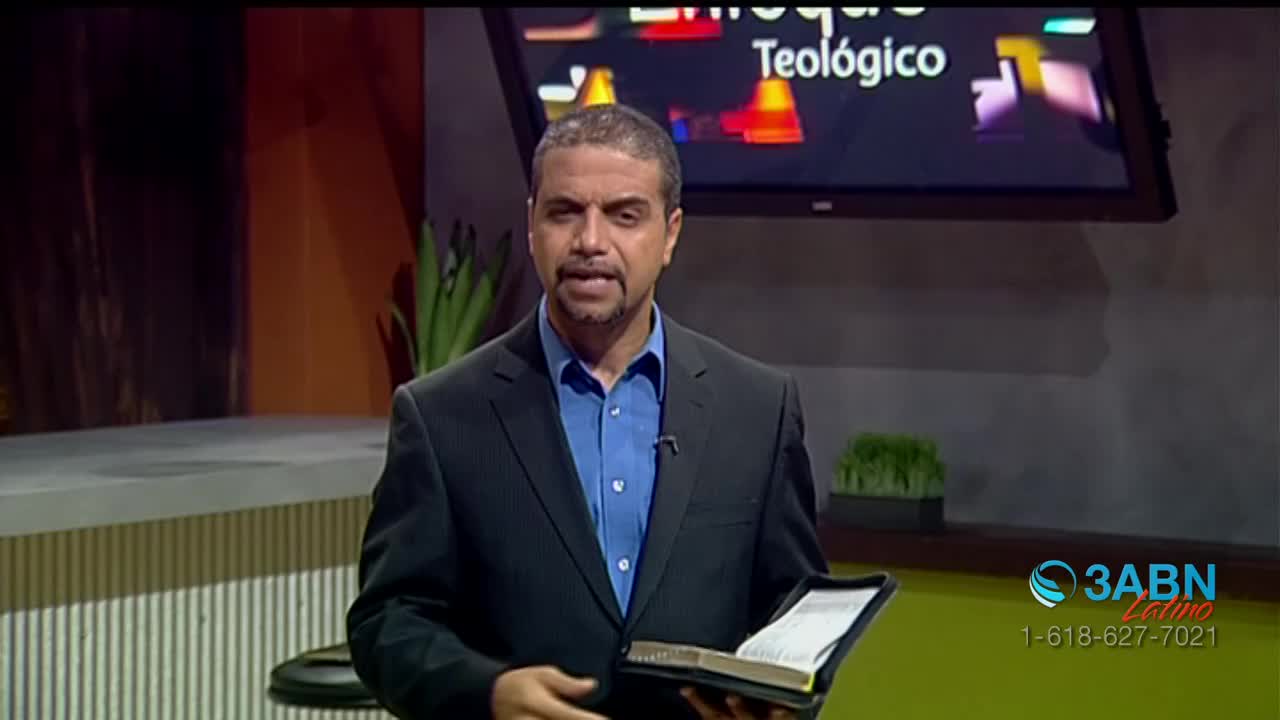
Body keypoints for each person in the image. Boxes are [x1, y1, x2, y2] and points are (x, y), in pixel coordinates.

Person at [346, 102, 829, 720]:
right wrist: (487, 693)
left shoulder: (757, 408)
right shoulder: (441, 416)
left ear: (670, 234)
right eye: (565, 212)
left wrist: (785, 698)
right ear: (532, 226)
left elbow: (795, 609)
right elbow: (389, 623)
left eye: (625, 215)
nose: (591, 242)